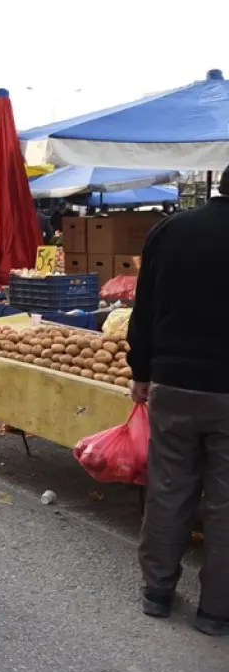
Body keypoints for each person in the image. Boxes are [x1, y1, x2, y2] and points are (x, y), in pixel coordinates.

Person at [128, 166, 229, 636]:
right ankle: (216, 611)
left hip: (173, 382)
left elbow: (142, 307)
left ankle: (157, 592)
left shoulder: (171, 230)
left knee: (168, 489)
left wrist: (141, 372)